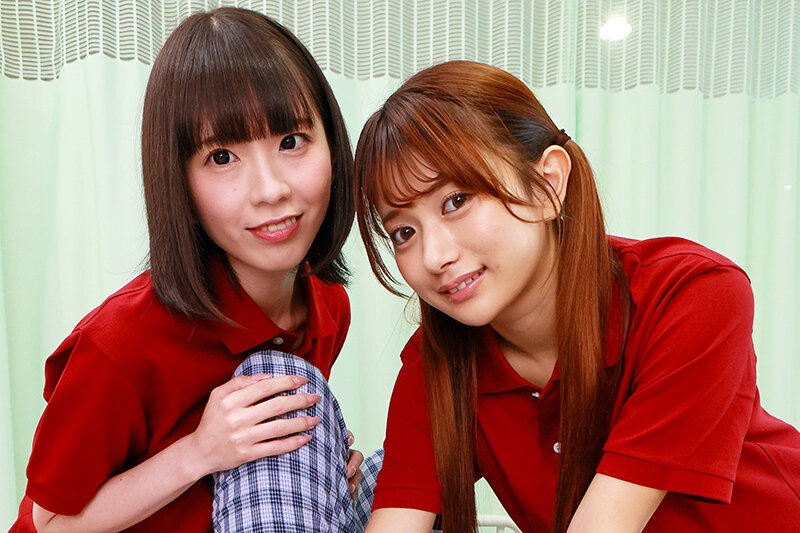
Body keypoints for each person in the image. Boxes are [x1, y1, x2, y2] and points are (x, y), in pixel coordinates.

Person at [353, 60, 800, 533]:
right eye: (403, 232)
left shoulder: (691, 294)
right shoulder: (437, 365)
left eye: (456, 201)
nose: (434, 256)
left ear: (548, 183)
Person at [11, 7, 364, 532]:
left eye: (291, 141)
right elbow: (50, 523)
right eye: (222, 157)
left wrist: (323, 475)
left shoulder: (326, 306)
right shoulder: (120, 344)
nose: (271, 190)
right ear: (180, 184)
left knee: (397, 480)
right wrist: (200, 451)